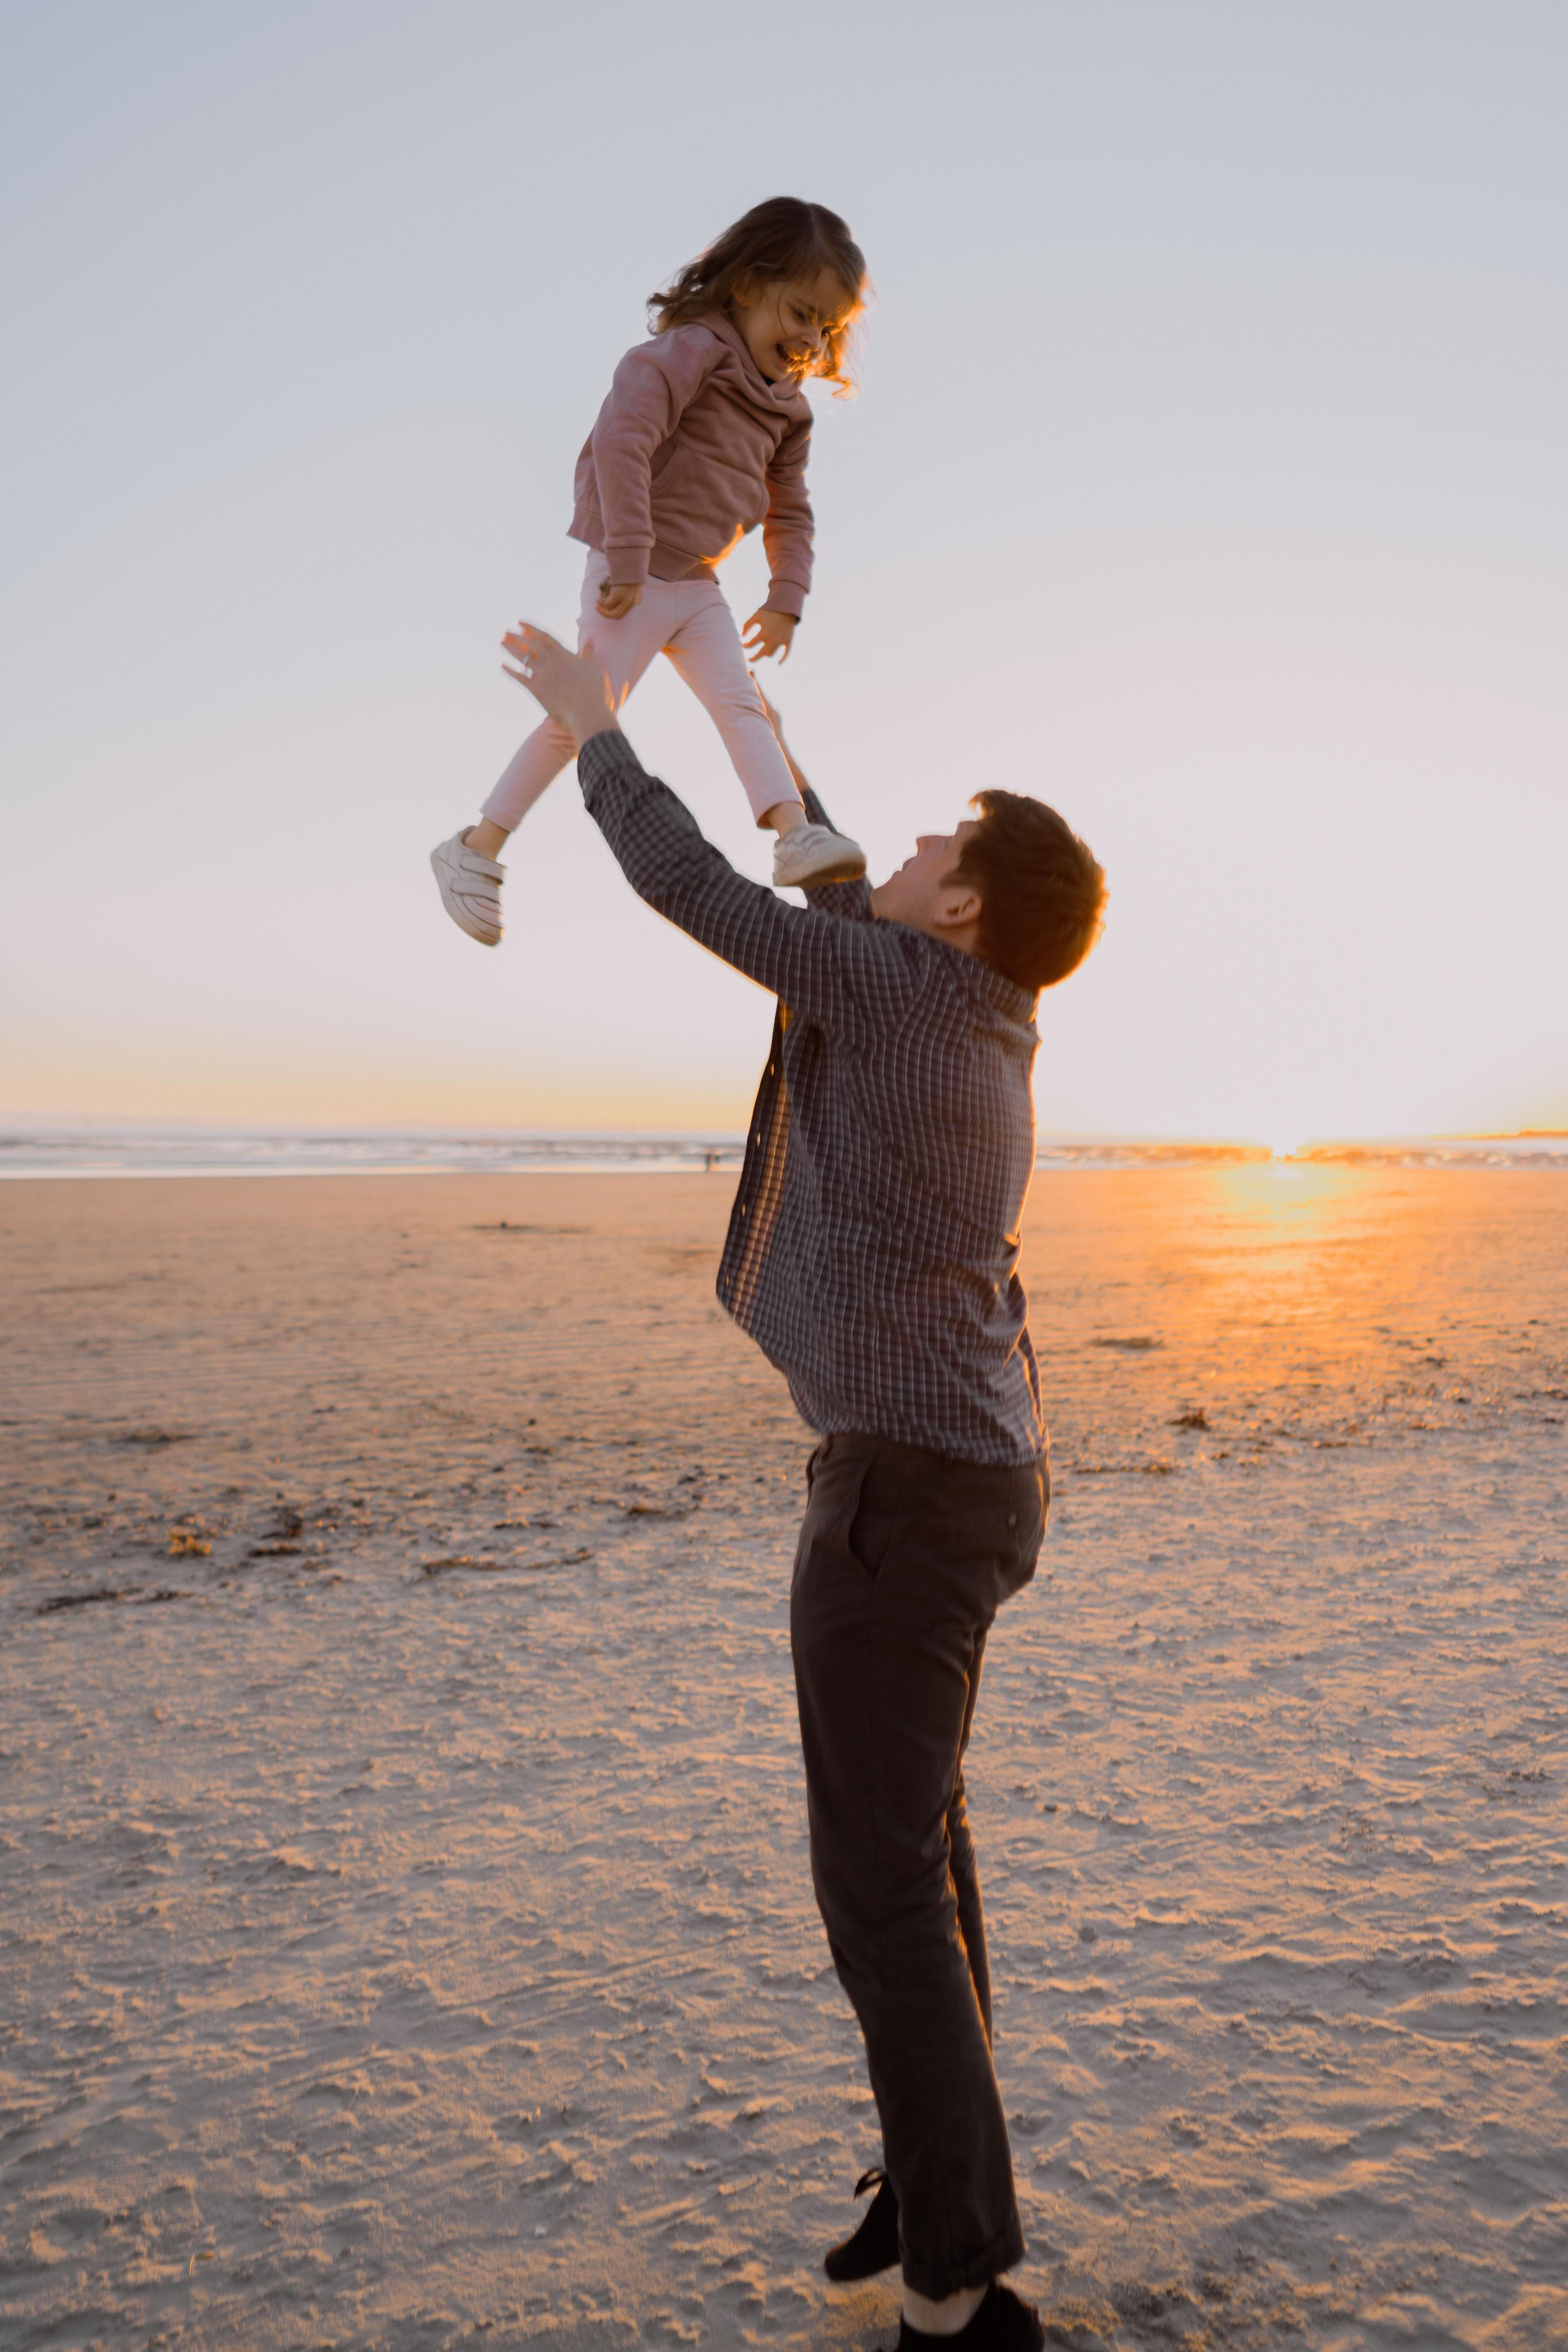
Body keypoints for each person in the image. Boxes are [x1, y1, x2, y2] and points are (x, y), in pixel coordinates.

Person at [501, 621, 1107, 2352]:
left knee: (882, 1887)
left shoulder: (907, 992)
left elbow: (716, 891)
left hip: (907, 1502)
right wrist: (738, 702)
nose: (902, 851)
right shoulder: (978, 1003)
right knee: (919, 1856)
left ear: (968, 910)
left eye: (939, 847)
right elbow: (830, 868)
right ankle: (938, 2199)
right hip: (970, 1476)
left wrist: (594, 731)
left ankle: (960, 2291)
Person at [431, 197, 870, 949]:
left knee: (744, 707)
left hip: (697, 583)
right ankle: (474, 850)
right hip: (629, 572)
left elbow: (790, 509)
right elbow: (621, 442)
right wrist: (628, 557)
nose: (809, 339)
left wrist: (785, 598)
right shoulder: (685, 354)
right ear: (745, 285)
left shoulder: (789, 414)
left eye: (825, 328)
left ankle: (792, 835)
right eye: (799, 312)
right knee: (582, 719)